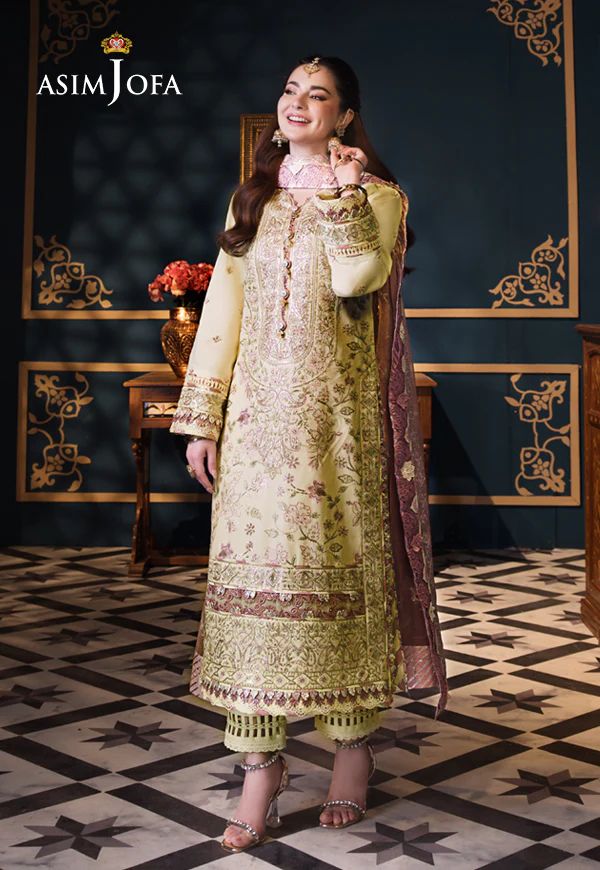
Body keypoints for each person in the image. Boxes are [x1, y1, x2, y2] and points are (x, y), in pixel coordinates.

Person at [170, 54, 447, 853]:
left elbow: (359, 279)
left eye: (317, 94)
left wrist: (343, 195)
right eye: (291, 90)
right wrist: (204, 419)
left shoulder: (378, 197)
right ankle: (260, 767)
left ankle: (351, 749)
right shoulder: (251, 199)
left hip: (339, 433)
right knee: (250, 595)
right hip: (258, 433)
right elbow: (223, 309)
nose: (297, 103)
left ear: (345, 116)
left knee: (342, 586)